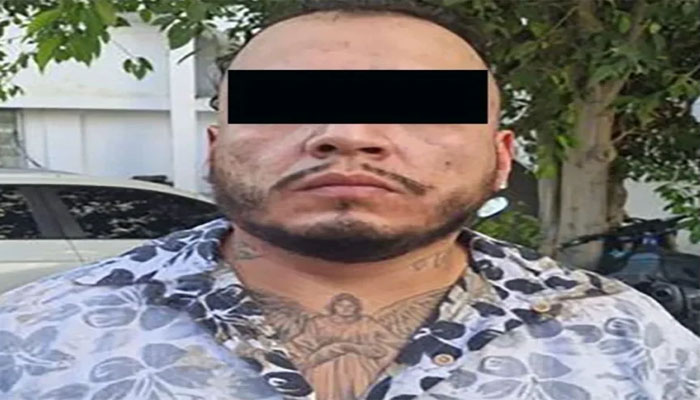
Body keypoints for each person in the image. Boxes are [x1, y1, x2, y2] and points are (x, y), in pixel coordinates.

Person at [1, 1, 699, 399]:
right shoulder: (30, 336)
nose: (348, 134)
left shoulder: (629, 339)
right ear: (214, 148)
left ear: (500, 158)